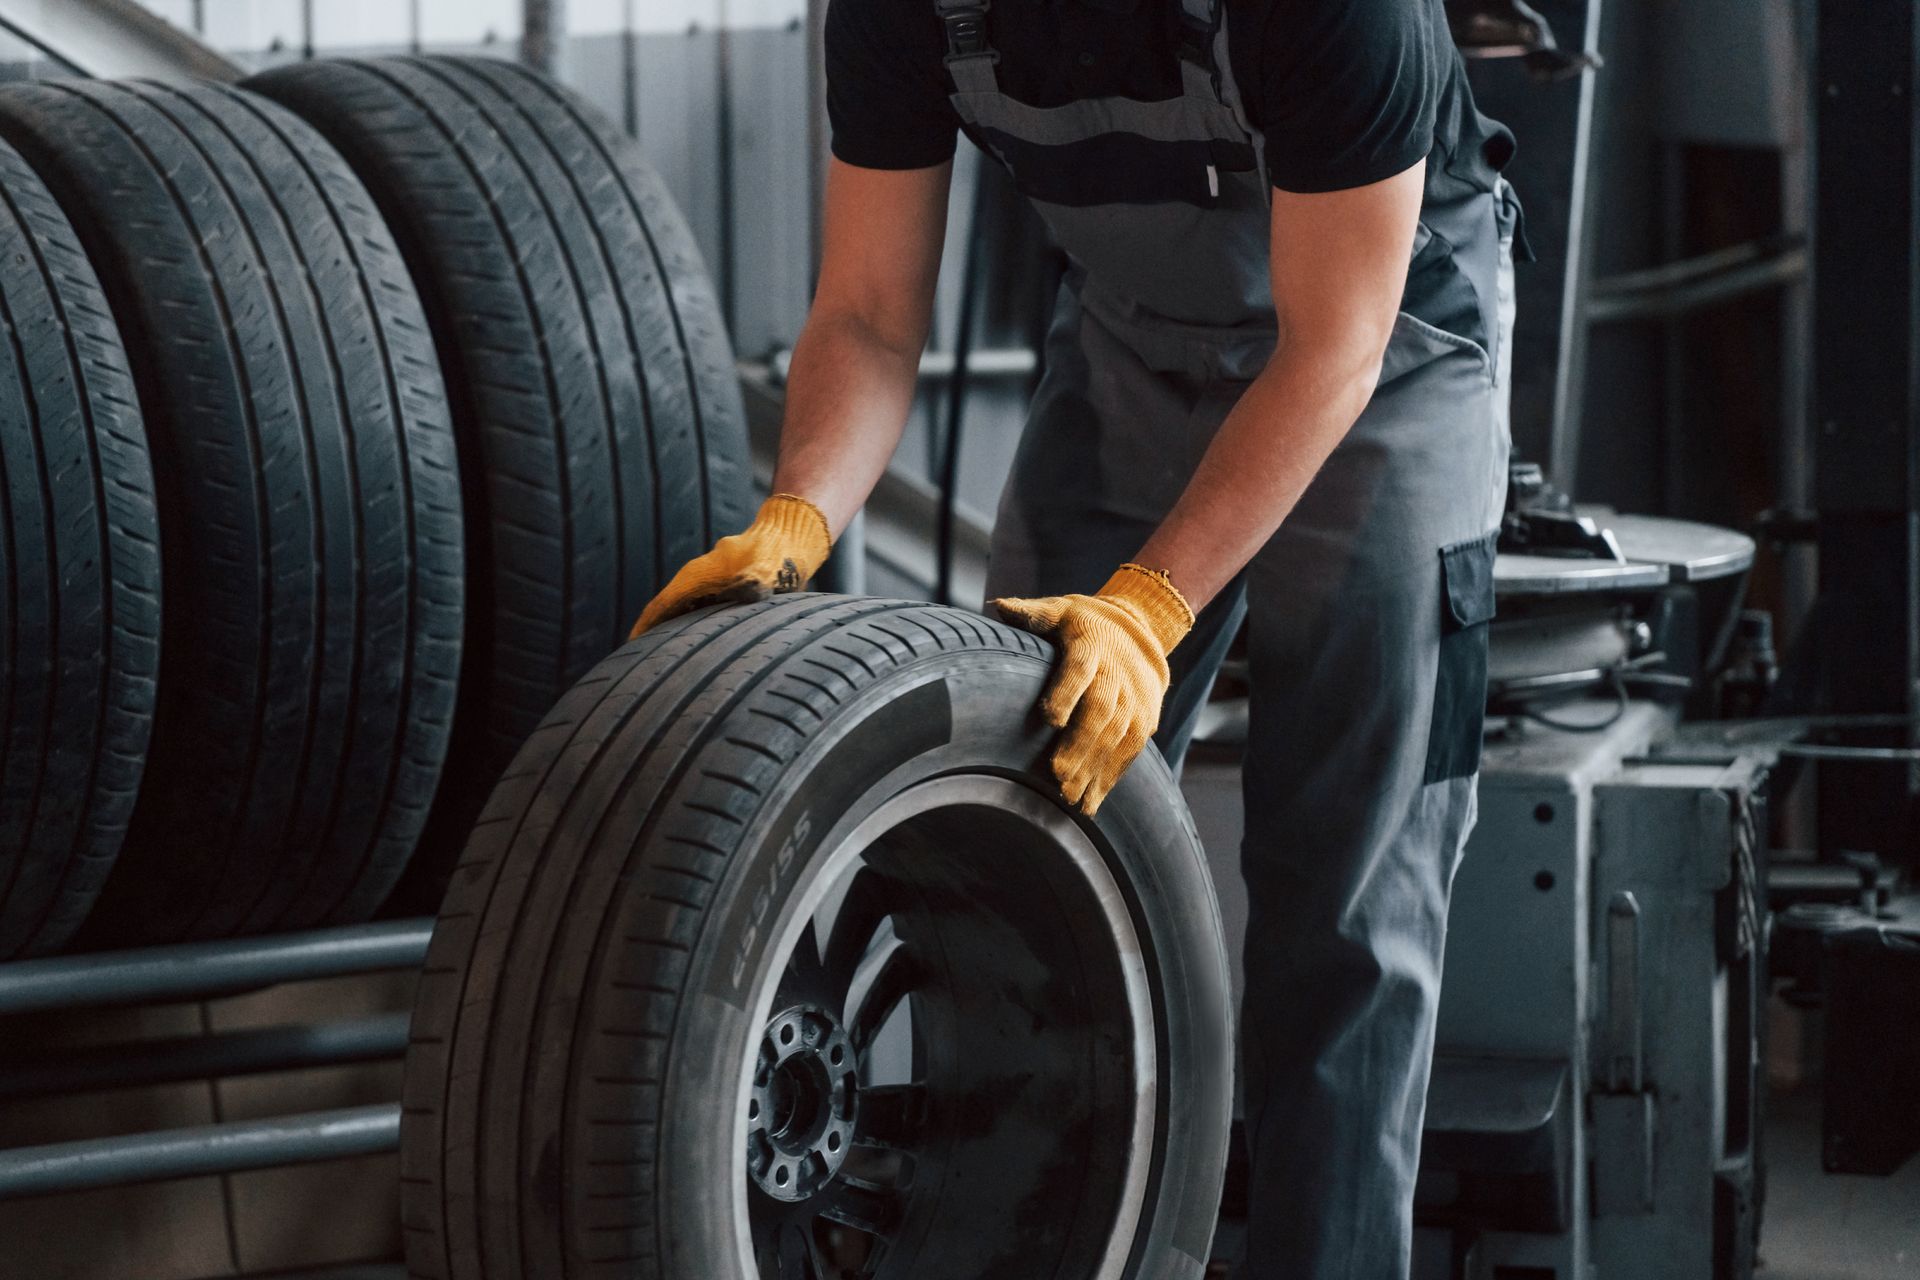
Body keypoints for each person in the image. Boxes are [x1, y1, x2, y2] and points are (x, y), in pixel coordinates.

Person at [631, 0, 1521, 1274]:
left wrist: (1151, 604)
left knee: (1347, 902)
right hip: (1128, 344)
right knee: (1015, 828)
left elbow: (1338, 345)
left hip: (1386, 356)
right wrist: (796, 516)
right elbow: (873, 312)